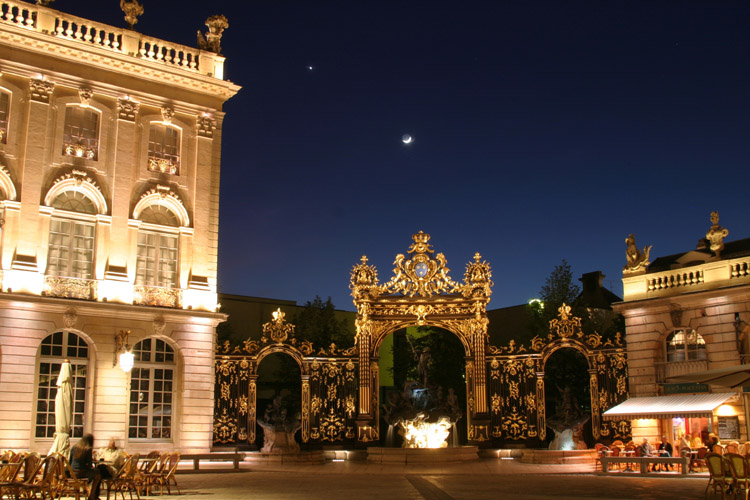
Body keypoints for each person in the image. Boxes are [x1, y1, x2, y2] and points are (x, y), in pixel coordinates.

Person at [70, 434, 112, 500]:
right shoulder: (88, 448)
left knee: (94, 472)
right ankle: (92, 495)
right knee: (98, 474)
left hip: (72, 473)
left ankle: (89, 492)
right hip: (81, 473)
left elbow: (70, 462)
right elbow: (89, 465)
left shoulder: (74, 447)